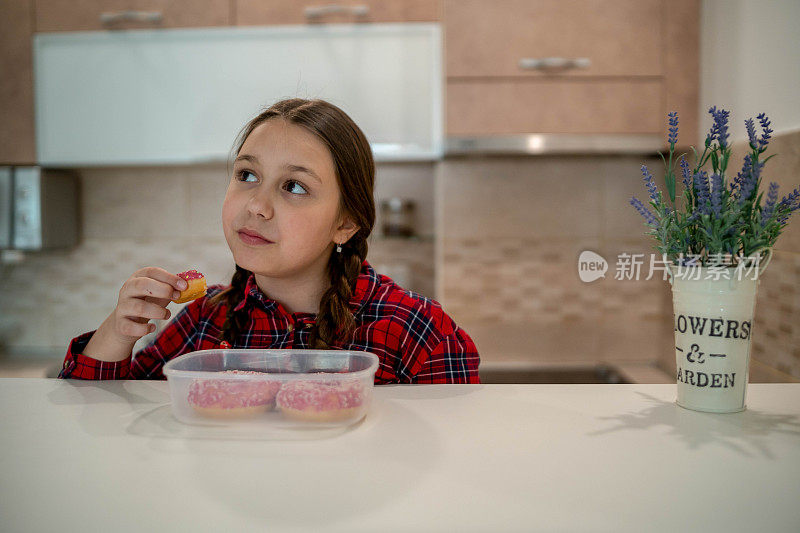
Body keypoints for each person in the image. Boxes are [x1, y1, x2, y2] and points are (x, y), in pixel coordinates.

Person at [59, 98, 480, 384]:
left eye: (294, 186)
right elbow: (98, 429)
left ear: (346, 223)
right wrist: (118, 333)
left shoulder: (420, 332)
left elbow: (454, 463)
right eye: (247, 175)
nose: (257, 206)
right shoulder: (204, 321)